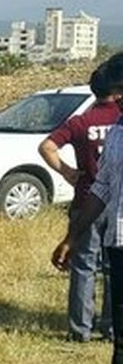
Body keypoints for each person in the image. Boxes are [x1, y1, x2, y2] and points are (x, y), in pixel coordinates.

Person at [52, 52, 123, 364]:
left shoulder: (96, 123)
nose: (118, 103)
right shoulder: (117, 131)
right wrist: (70, 237)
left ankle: (84, 328)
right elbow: (103, 188)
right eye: (115, 96)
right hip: (117, 233)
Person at [39, 68, 121, 342]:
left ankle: (80, 329)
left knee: (83, 266)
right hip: (116, 204)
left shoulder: (81, 121)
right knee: (113, 268)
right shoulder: (118, 121)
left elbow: (46, 146)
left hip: (87, 199)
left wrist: (67, 172)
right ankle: (111, 327)